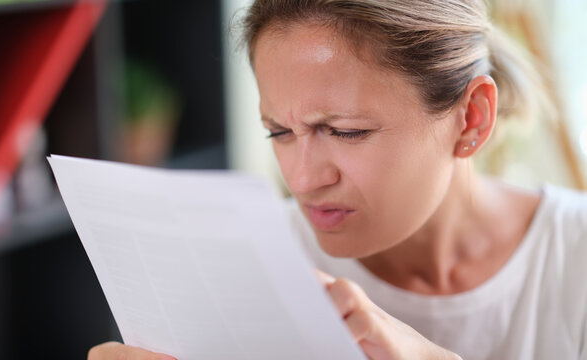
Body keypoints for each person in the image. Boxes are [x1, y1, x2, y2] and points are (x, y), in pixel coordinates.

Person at [88, 0, 587, 359]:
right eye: (279, 131)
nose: (302, 180)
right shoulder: (245, 263)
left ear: (471, 119)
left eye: (346, 132)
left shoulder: (574, 258)